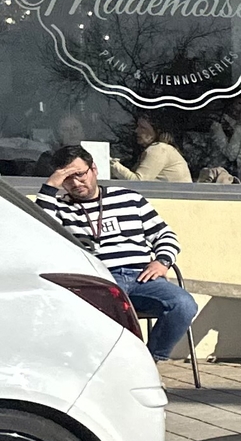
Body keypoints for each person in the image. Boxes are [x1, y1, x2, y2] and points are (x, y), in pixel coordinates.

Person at [36, 145, 199, 362]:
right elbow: (38, 231)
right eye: (67, 178)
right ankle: (110, 367)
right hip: (98, 281)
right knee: (95, 317)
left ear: (94, 169)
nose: (75, 183)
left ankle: (149, 362)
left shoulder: (129, 198)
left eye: (79, 174)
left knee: (184, 304)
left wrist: (163, 261)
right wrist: (49, 187)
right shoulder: (61, 208)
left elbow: (165, 235)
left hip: (141, 277)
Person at [113, 113, 194, 184]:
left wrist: (113, 165)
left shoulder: (159, 149)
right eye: (137, 126)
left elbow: (138, 183)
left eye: (142, 128)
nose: (136, 131)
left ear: (157, 131)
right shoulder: (165, 149)